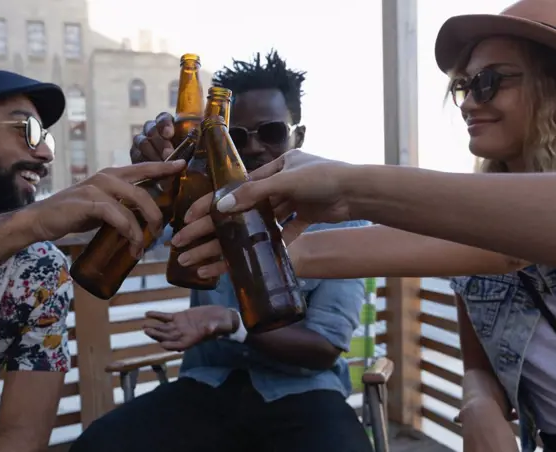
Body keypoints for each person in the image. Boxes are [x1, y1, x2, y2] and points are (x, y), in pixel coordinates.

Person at [178, 1, 556, 451]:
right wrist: (477, 401)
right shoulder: (475, 228)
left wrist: (346, 185)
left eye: (490, 81)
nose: (471, 101)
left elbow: (510, 238)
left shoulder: (491, 224)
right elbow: (473, 253)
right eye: (464, 85)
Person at [72, 51, 373, 452]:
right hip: (208, 385)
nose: (253, 148)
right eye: (236, 136)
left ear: (298, 137)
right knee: (99, 446)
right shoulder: (197, 204)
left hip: (304, 392)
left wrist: (231, 321)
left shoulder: (337, 219)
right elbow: (130, 232)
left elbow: (322, 350)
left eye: (271, 132)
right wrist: (152, 179)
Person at [0, 67, 187, 452]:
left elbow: (23, 436)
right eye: (27, 131)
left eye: (47, 140)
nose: (43, 154)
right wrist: (31, 222)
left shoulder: (39, 269)